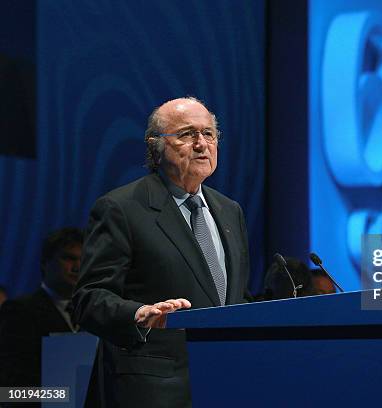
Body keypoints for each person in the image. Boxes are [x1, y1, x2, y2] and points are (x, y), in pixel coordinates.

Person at [72, 97, 251, 407]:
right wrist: (138, 314)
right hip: (154, 390)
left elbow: (234, 299)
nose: (201, 144)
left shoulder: (230, 211)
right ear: (155, 145)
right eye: (186, 134)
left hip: (226, 381)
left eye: (208, 134)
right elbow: (88, 299)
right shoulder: (122, 208)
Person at [0, 227, 83, 388]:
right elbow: (11, 388)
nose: (77, 267)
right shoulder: (19, 311)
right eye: (69, 258)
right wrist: (59, 396)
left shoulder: (93, 312)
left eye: (84, 260)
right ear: (45, 262)